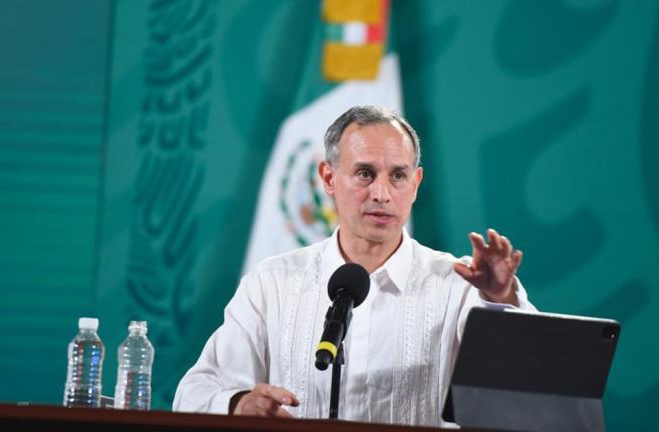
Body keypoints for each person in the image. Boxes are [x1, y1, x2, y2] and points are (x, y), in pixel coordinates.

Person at [173, 106, 536, 426]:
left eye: (398, 175)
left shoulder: (460, 284)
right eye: (365, 173)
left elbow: (529, 387)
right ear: (329, 178)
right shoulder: (272, 283)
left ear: (415, 183)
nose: (382, 193)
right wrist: (238, 403)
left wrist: (499, 296)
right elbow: (193, 393)